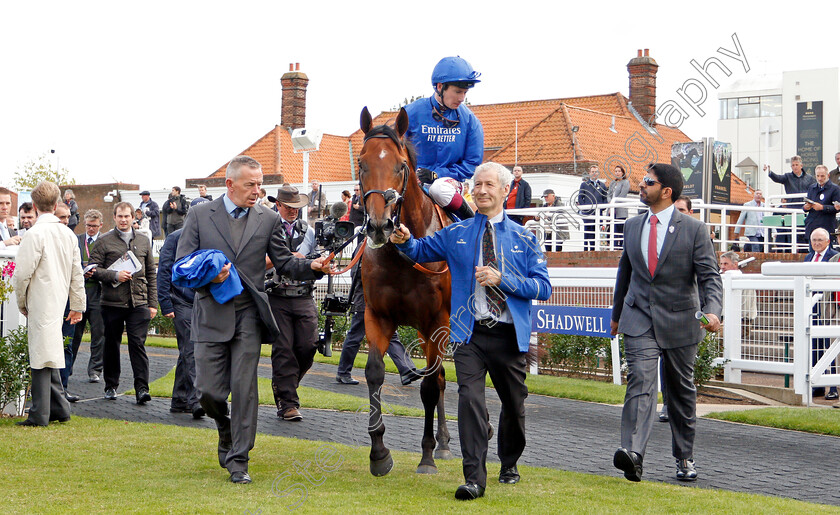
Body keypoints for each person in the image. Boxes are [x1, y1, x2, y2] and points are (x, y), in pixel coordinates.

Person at [390, 161, 551, 501]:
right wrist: (405, 241)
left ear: (505, 191)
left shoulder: (525, 237)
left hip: (509, 336)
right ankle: (473, 478)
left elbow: (543, 287)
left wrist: (502, 279)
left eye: (488, 185)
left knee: (515, 405)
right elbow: (420, 250)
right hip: (469, 335)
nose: (480, 190)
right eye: (476, 184)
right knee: (470, 401)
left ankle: (509, 461)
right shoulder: (457, 233)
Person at [176, 155, 330, 485]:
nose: (257, 191)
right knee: (208, 392)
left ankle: (239, 460)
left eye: (260, 184)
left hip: (249, 315)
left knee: (244, 389)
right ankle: (225, 429)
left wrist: (313, 267)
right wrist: (210, 278)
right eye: (251, 185)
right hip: (210, 315)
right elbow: (182, 265)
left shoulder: (268, 219)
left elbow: (285, 262)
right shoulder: (200, 214)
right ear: (230, 184)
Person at [611, 163, 722, 483]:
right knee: (640, 383)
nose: (641, 185)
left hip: (681, 321)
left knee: (679, 392)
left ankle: (684, 456)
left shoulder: (695, 230)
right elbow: (625, 274)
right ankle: (633, 454)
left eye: (648, 182)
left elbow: (710, 278)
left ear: (666, 191)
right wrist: (617, 315)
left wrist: (713, 310)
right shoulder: (632, 226)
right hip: (639, 317)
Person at [13, 181, 85, 426]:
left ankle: (39, 413)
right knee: (51, 352)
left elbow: (22, 273)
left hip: (41, 299)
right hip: (61, 299)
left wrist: (21, 301)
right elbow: (78, 272)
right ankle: (60, 409)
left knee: (41, 355)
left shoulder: (34, 233)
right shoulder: (68, 233)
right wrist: (78, 304)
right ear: (56, 205)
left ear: (34, 205)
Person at [89, 202, 157, 405]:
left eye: (127, 216)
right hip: (112, 302)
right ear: (114, 217)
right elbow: (92, 269)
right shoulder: (104, 241)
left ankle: (142, 388)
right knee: (111, 344)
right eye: (120, 216)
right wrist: (114, 274)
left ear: (133, 218)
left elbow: (151, 273)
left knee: (137, 344)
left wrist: (153, 303)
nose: (124, 219)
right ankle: (111, 385)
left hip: (139, 302)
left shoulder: (144, 241)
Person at [404, 56, 484, 221]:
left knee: (439, 189)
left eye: (465, 92)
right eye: (457, 92)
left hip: (448, 183)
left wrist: (436, 174)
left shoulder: (471, 121)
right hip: (412, 181)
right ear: (440, 87)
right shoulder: (410, 113)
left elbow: (471, 164)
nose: (462, 98)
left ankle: (473, 225)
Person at [264, 186, 319, 422]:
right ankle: (287, 403)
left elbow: (317, 258)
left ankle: (286, 385)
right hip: (277, 296)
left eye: (297, 208)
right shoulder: (266, 228)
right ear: (278, 204)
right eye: (289, 207)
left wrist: (314, 262)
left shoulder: (309, 231)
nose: (294, 212)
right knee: (284, 349)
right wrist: (285, 260)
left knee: (308, 346)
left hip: (304, 294)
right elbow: (254, 261)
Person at [336, 244, 423, 386]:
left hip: (381, 300)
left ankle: (406, 370)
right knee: (355, 336)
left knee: (390, 335)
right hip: (365, 299)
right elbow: (357, 273)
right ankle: (343, 372)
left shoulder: (384, 248)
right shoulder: (363, 247)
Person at [157, 228, 203, 418]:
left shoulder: (210, 236)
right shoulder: (175, 238)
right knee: (191, 349)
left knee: (187, 350)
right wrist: (165, 303)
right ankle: (196, 401)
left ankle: (179, 399)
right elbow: (164, 270)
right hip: (181, 300)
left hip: (202, 300)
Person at [69, 210, 106, 384]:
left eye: (94, 226)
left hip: (98, 293)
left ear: (101, 225)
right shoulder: (76, 240)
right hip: (79, 292)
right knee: (74, 333)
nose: (91, 229)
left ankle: (95, 370)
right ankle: (68, 368)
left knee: (99, 333)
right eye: (88, 226)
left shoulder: (105, 241)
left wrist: (96, 272)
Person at [804, 228, 839, 400]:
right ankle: (817, 386)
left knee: (828, 345)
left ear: (827, 241)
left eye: (820, 240)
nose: (816, 243)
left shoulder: (834, 256)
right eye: (814, 240)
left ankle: (832, 386)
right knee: (814, 346)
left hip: (828, 306)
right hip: (811, 306)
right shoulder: (808, 257)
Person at [803, 165, 840, 248]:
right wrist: (806, 207)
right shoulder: (812, 188)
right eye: (817, 176)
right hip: (812, 225)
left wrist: (822, 207)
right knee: (813, 254)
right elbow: (806, 205)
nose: (820, 178)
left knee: (827, 255)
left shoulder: (835, 189)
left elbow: (837, 208)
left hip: (826, 225)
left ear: (828, 175)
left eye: (822, 176)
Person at [578, 165, 608, 251]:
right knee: (587, 233)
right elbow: (580, 198)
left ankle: (596, 250)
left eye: (596, 172)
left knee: (598, 233)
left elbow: (605, 199)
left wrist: (601, 209)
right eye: (592, 172)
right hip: (588, 214)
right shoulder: (584, 184)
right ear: (589, 173)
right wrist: (585, 208)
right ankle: (586, 250)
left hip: (598, 214)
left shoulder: (602, 185)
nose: (594, 174)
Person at [607, 165, 630, 248]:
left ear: (622, 172)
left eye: (619, 171)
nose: (617, 173)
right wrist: (610, 202)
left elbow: (622, 195)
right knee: (611, 228)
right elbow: (609, 194)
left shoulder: (625, 182)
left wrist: (614, 203)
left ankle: (620, 247)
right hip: (611, 209)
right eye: (616, 171)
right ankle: (613, 245)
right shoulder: (612, 183)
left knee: (620, 229)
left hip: (620, 209)